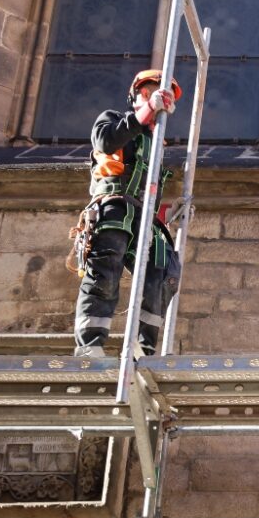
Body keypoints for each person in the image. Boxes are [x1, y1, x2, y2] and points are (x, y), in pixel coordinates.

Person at [71, 69, 183, 359]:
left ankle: (143, 348)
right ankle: (90, 344)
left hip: (144, 216)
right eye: (152, 91)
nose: (159, 99)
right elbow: (106, 143)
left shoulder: (155, 144)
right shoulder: (112, 121)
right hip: (114, 206)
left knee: (164, 272)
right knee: (106, 269)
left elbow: (149, 188)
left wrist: (170, 213)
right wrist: (145, 112)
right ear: (138, 93)